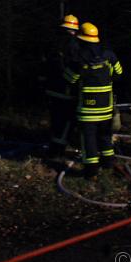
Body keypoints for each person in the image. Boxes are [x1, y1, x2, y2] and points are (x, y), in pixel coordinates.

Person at [64, 22, 123, 178]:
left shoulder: (79, 58)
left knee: (88, 139)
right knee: (105, 135)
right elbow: (119, 73)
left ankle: (91, 171)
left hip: (87, 109)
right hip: (106, 107)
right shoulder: (108, 54)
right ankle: (108, 162)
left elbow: (70, 79)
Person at [43, 14, 80, 157]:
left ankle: (53, 148)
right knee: (67, 122)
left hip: (51, 89)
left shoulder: (53, 42)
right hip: (66, 91)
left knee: (56, 120)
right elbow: (75, 67)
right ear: (74, 29)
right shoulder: (74, 45)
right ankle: (58, 151)